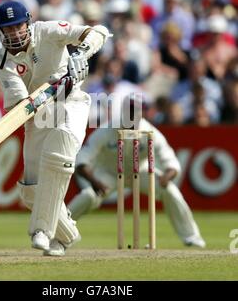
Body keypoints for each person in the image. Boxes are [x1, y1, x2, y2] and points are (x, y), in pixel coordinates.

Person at [0, 0, 110, 256]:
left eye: (18, 26)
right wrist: (49, 90)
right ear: (0, 31)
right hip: (38, 115)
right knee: (31, 190)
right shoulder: (3, 62)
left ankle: (41, 231)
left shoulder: (48, 30)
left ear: (28, 23)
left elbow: (98, 32)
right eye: (8, 29)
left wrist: (80, 54)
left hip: (72, 103)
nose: (14, 33)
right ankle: (67, 235)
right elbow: (22, 107)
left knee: (62, 146)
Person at [68, 94, 206, 248]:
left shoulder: (149, 131)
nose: (135, 115)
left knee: (171, 191)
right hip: (109, 173)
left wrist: (166, 177)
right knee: (88, 195)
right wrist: (94, 182)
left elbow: (171, 162)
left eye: (139, 110)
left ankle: (191, 236)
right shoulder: (108, 129)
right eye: (132, 110)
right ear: (124, 110)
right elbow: (82, 160)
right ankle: (60, 234)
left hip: (140, 171)